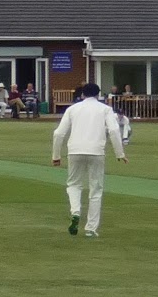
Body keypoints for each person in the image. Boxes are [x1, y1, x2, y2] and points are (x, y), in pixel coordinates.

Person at [50, 83, 127, 238]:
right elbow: (113, 130)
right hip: (96, 152)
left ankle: (76, 212)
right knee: (96, 189)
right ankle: (91, 229)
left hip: (75, 151)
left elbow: (58, 134)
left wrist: (56, 156)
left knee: (73, 185)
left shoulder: (73, 109)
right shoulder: (105, 109)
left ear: (82, 95)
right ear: (98, 95)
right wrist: (120, 153)